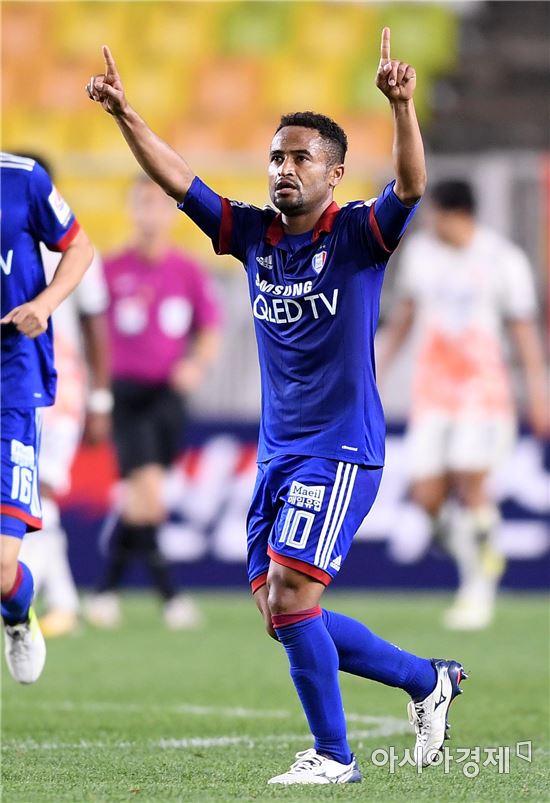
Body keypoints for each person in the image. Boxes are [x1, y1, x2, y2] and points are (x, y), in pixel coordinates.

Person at [86, 29, 466, 783]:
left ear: (334, 173)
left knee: (293, 598)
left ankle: (334, 756)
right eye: (275, 157)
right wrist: (126, 116)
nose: (283, 169)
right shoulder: (253, 234)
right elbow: (180, 182)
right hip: (277, 452)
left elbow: (411, 188)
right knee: (281, 613)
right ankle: (426, 679)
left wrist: (402, 107)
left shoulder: (358, 235)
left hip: (340, 448)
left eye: (299, 158)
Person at [379, 179, 548, 630]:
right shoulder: (421, 256)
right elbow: (404, 318)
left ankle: (478, 588)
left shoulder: (502, 260)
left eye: (435, 214)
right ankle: (482, 551)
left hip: (482, 393)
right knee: (427, 497)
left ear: (457, 214)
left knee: (471, 480)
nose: (429, 223)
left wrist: (538, 392)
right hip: (432, 394)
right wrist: (376, 369)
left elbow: (523, 331)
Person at [85, 175, 221, 631]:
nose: (150, 213)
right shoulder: (110, 269)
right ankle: (170, 597)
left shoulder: (187, 271)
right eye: (141, 203)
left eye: (158, 204)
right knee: (149, 496)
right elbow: (90, 330)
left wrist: (196, 363)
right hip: (125, 395)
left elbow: (210, 328)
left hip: (168, 398)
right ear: (131, 210)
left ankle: (105, 593)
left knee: (141, 501)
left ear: (170, 213)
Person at [1, 152, 93, 682]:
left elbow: (80, 246)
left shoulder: (21, 179)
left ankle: (18, 615)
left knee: (2, 569)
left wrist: (45, 303)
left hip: (11, 383)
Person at [17, 154, 112, 639]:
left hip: (62, 383)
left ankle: (33, 600)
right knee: (29, 492)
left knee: (41, 490)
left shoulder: (72, 247)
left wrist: (100, 400)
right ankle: (64, 602)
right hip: (16, 382)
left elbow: (95, 326)